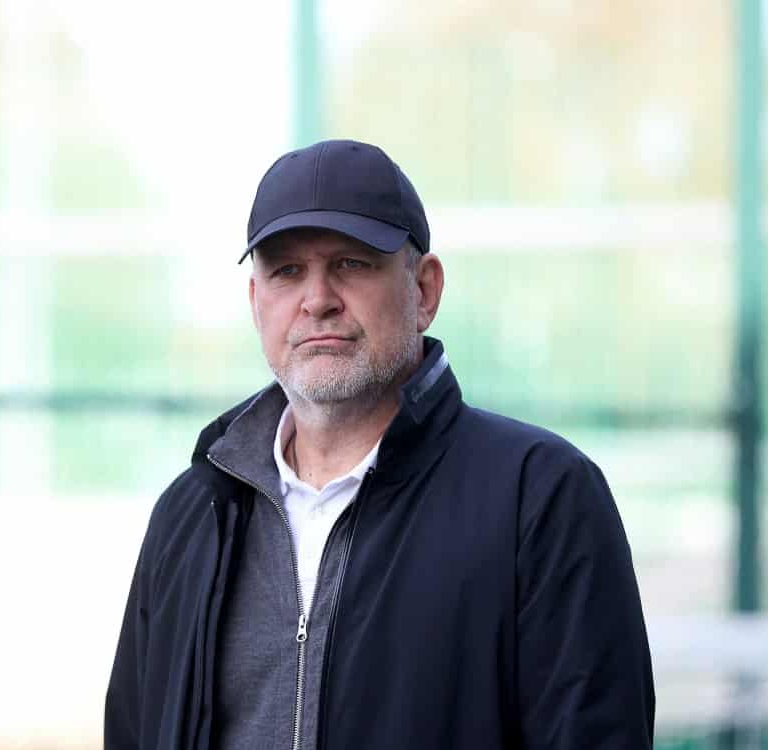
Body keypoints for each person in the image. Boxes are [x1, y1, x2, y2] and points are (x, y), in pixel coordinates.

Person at [105, 139, 655, 750]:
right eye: (287, 271)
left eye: (351, 263)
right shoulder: (192, 515)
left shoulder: (540, 498)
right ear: (257, 303)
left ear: (424, 290)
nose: (318, 299)